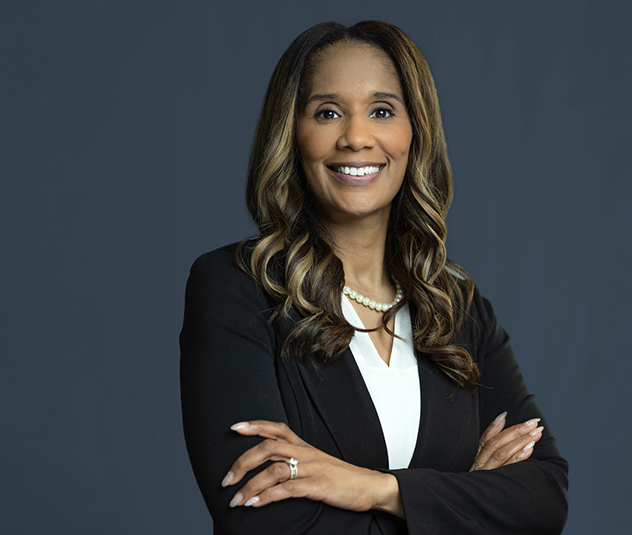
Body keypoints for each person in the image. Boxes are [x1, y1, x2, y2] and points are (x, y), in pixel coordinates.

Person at [180, 21, 568, 535]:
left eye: (382, 111)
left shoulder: (458, 308)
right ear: (292, 133)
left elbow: (544, 499)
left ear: (414, 132)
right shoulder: (236, 287)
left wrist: (375, 489)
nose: (356, 137)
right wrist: (457, 503)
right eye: (328, 112)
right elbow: (265, 523)